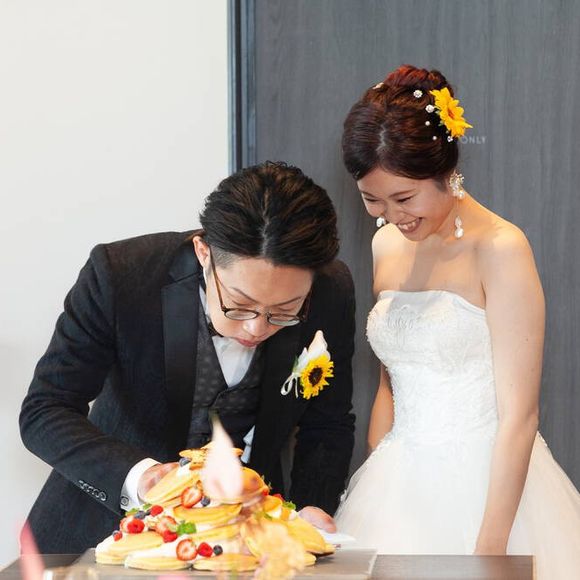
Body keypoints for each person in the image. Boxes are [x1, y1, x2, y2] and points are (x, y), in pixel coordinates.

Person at [20, 161, 356, 554]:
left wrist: (307, 512)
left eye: (283, 311)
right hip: (97, 538)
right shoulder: (120, 275)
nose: (256, 328)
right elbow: (45, 411)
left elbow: (328, 425)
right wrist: (142, 478)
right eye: (239, 304)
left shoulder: (331, 291)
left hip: (246, 546)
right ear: (203, 252)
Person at [334, 65, 580, 577]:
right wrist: (375, 476)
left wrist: (490, 550)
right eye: (371, 199)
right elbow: (390, 381)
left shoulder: (501, 248)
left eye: (404, 198)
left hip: (487, 487)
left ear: (446, 172)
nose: (390, 216)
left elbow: (519, 416)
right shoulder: (386, 244)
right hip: (398, 485)